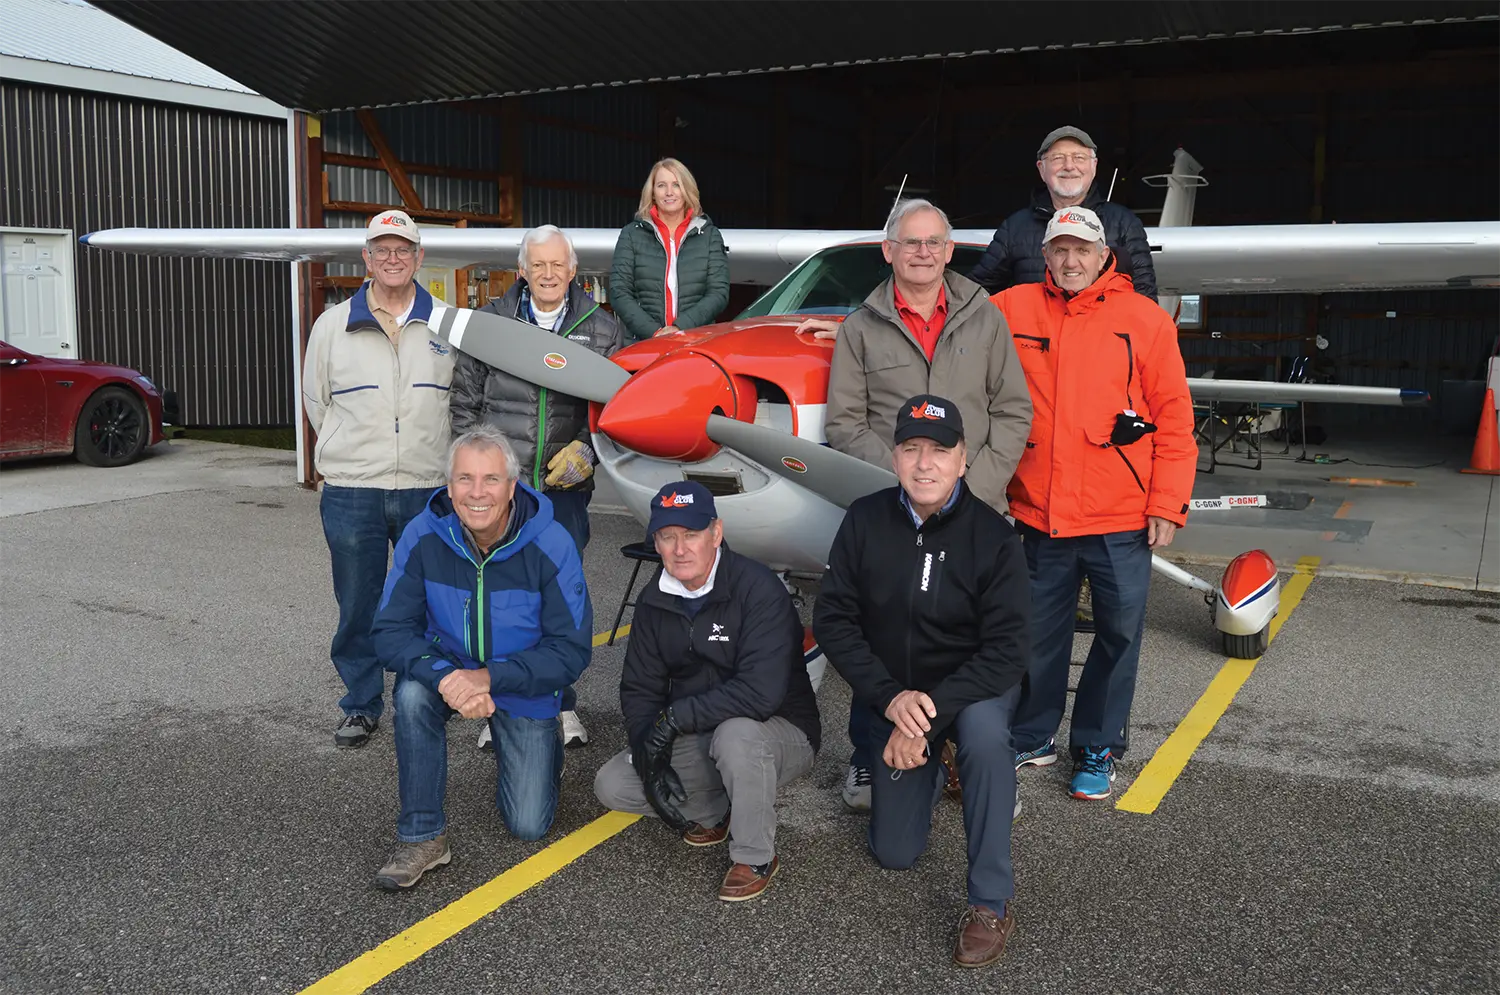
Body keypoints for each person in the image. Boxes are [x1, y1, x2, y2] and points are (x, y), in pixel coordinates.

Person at [810, 197, 1033, 811]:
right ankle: (867, 756)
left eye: (935, 242)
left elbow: (1014, 410)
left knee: (974, 637)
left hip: (976, 507)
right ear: (889, 251)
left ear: (949, 250)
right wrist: (913, 482)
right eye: (911, 242)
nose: (923, 252)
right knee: (880, 631)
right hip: (894, 514)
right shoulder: (860, 326)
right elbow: (846, 424)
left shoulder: (984, 315)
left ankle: (971, 759)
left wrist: (972, 489)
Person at [814, 394, 1030, 969]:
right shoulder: (864, 519)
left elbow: (1009, 650)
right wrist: (891, 700)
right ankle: (934, 764)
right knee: (894, 853)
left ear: (963, 460)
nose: (925, 463)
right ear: (895, 458)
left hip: (971, 689)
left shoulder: (996, 537)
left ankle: (989, 900)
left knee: (985, 741)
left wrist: (925, 712)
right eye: (912, 449)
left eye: (940, 451)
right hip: (897, 696)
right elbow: (833, 620)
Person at [993, 206, 1195, 800]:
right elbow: (937, 325)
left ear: (1104, 253)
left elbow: (1176, 421)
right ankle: (1033, 733)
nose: (1070, 260)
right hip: (1038, 512)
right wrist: (848, 328)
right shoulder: (1010, 308)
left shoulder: (1146, 320)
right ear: (1046, 255)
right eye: (1059, 249)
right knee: (1036, 633)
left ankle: (1098, 745)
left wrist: (1168, 505)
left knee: (1119, 635)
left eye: (1081, 249)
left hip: (1120, 515)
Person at [369, 426, 592, 889]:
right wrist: (449, 678)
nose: (476, 493)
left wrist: (489, 678)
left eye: (491, 480)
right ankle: (423, 836)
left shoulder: (552, 543)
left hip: (522, 679)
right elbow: (390, 630)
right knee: (411, 695)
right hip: (449, 668)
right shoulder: (422, 534)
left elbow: (571, 651)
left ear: (512, 487)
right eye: (464, 479)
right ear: (448, 487)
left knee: (528, 825)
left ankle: (546, 746)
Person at [593, 481, 819, 903]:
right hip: (704, 734)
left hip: (778, 732)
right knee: (614, 785)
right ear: (656, 543)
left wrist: (674, 719)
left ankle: (754, 855)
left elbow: (760, 695)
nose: (680, 549)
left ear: (716, 533)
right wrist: (647, 746)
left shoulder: (758, 589)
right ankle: (718, 808)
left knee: (737, 735)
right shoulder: (653, 599)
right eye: (667, 537)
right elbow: (640, 688)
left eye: (691, 534)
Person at [451, 224, 623, 749]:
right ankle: (494, 706)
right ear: (522, 271)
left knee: (560, 599)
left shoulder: (603, 328)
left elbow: (619, 406)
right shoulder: (490, 324)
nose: (548, 275)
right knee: (498, 597)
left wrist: (589, 452)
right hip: (503, 490)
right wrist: (479, 476)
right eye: (538, 266)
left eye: (558, 266)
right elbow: (465, 404)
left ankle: (561, 703)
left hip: (563, 493)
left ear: (574, 272)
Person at [302, 209, 454, 749]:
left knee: (430, 601)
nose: (393, 259)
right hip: (353, 490)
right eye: (381, 250)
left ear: (419, 258)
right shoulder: (332, 325)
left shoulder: (446, 324)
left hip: (426, 485)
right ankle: (361, 704)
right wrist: (353, 453)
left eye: (403, 250)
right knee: (358, 603)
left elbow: (463, 405)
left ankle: (425, 695)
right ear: (366, 259)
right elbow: (316, 402)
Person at [968, 126, 1158, 301]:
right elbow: (977, 294)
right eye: (1058, 158)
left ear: (1093, 167)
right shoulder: (1014, 227)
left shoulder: (1124, 223)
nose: (1069, 166)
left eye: (1079, 158)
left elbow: (1145, 296)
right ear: (1042, 169)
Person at [608, 158, 730, 342]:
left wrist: (680, 328)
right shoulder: (631, 234)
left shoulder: (709, 235)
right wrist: (655, 333)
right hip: (643, 343)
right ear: (653, 193)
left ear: (686, 189)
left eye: (676, 185)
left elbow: (718, 293)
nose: (669, 192)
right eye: (661, 185)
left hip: (696, 342)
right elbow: (619, 291)